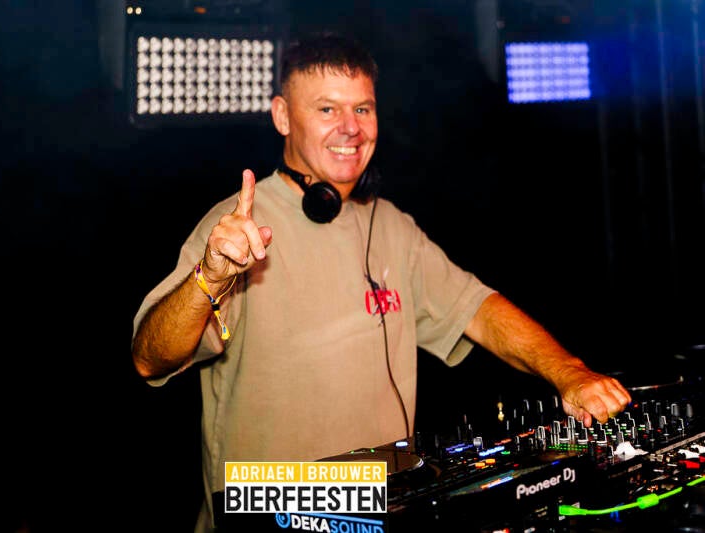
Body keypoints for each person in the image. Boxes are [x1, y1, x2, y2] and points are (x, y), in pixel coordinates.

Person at [131, 32, 632, 532]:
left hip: (384, 510)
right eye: (327, 109)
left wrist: (570, 373)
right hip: (270, 513)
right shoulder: (236, 229)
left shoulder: (390, 225)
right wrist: (209, 278)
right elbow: (150, 358)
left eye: (362, 109)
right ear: (282, 116)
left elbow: (478, 310)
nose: (350, 127)